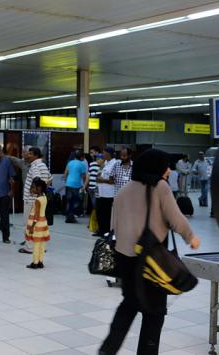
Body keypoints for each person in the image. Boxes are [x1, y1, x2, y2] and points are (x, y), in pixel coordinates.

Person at [99, 149, 200, 354]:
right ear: (156, 167)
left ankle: (108, 349)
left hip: (125, 258)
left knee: (129, 304)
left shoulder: (124, 191)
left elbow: (113, 225)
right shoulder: (160, 187)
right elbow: (176, 218)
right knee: (154, 312)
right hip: (151, 259)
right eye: (166, 166)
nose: (169, 170)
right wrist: (191, 238)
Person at [18, 148, 51, 255]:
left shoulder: (35, 166)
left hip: (32, 200)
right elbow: (50, 179)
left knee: (29, 223)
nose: (28, 156)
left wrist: (34, 190)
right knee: (39, 223)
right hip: (41, 199)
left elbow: (37, 178)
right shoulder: (44, 165)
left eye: (30, 154)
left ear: (36, 155)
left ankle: (29, 247)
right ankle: (40, 247)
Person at [24, 178, 49, 269]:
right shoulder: (44, 197)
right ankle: (40, 262)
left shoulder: (38, 200)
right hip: (43, 223)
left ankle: (34, 263)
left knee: (36, 245)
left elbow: (36, 215)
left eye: (33, 187)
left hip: (37, 225)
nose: (31, 189)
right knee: (42, 244)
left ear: (39, 188)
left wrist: (32, 227)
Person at [95, 147, 119, 236]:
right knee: (100, 213)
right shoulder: (105, 163)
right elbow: (101, 173)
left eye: (104, 153)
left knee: (107, 214)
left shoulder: (115, 163)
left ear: (109, 154)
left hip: (109, 194)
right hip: (101, 192)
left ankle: (107, 232)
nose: (103, 155)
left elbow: (114, 180)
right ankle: (101, 230)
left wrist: (103, 180)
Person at [63, 151, 87, 223]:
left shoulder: (70, 162)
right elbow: (84, 177)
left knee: (69, 201)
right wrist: (84, 186)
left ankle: (68, 217)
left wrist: (66, 181)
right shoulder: (82, 165)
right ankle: (71, 216)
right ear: (82, 157)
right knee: (77, 201)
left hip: (68, 184)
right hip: (76, 185)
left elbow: (65, 173)